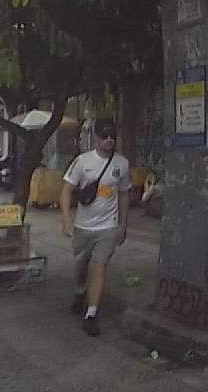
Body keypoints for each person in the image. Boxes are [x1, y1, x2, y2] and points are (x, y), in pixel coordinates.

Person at [60, 118, 132, 336]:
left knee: (99, 266)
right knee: (81, 266)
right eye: (104, 136)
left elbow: (124, 194)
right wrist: (66, 219)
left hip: (107, 227)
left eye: (112, 136)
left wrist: (123, 224)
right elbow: (66, 190)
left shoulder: (122, 164)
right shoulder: (82, 162)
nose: (109, 140)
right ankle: (79, 291)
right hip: (83, 226)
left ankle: (91, 314)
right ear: (96, 138)